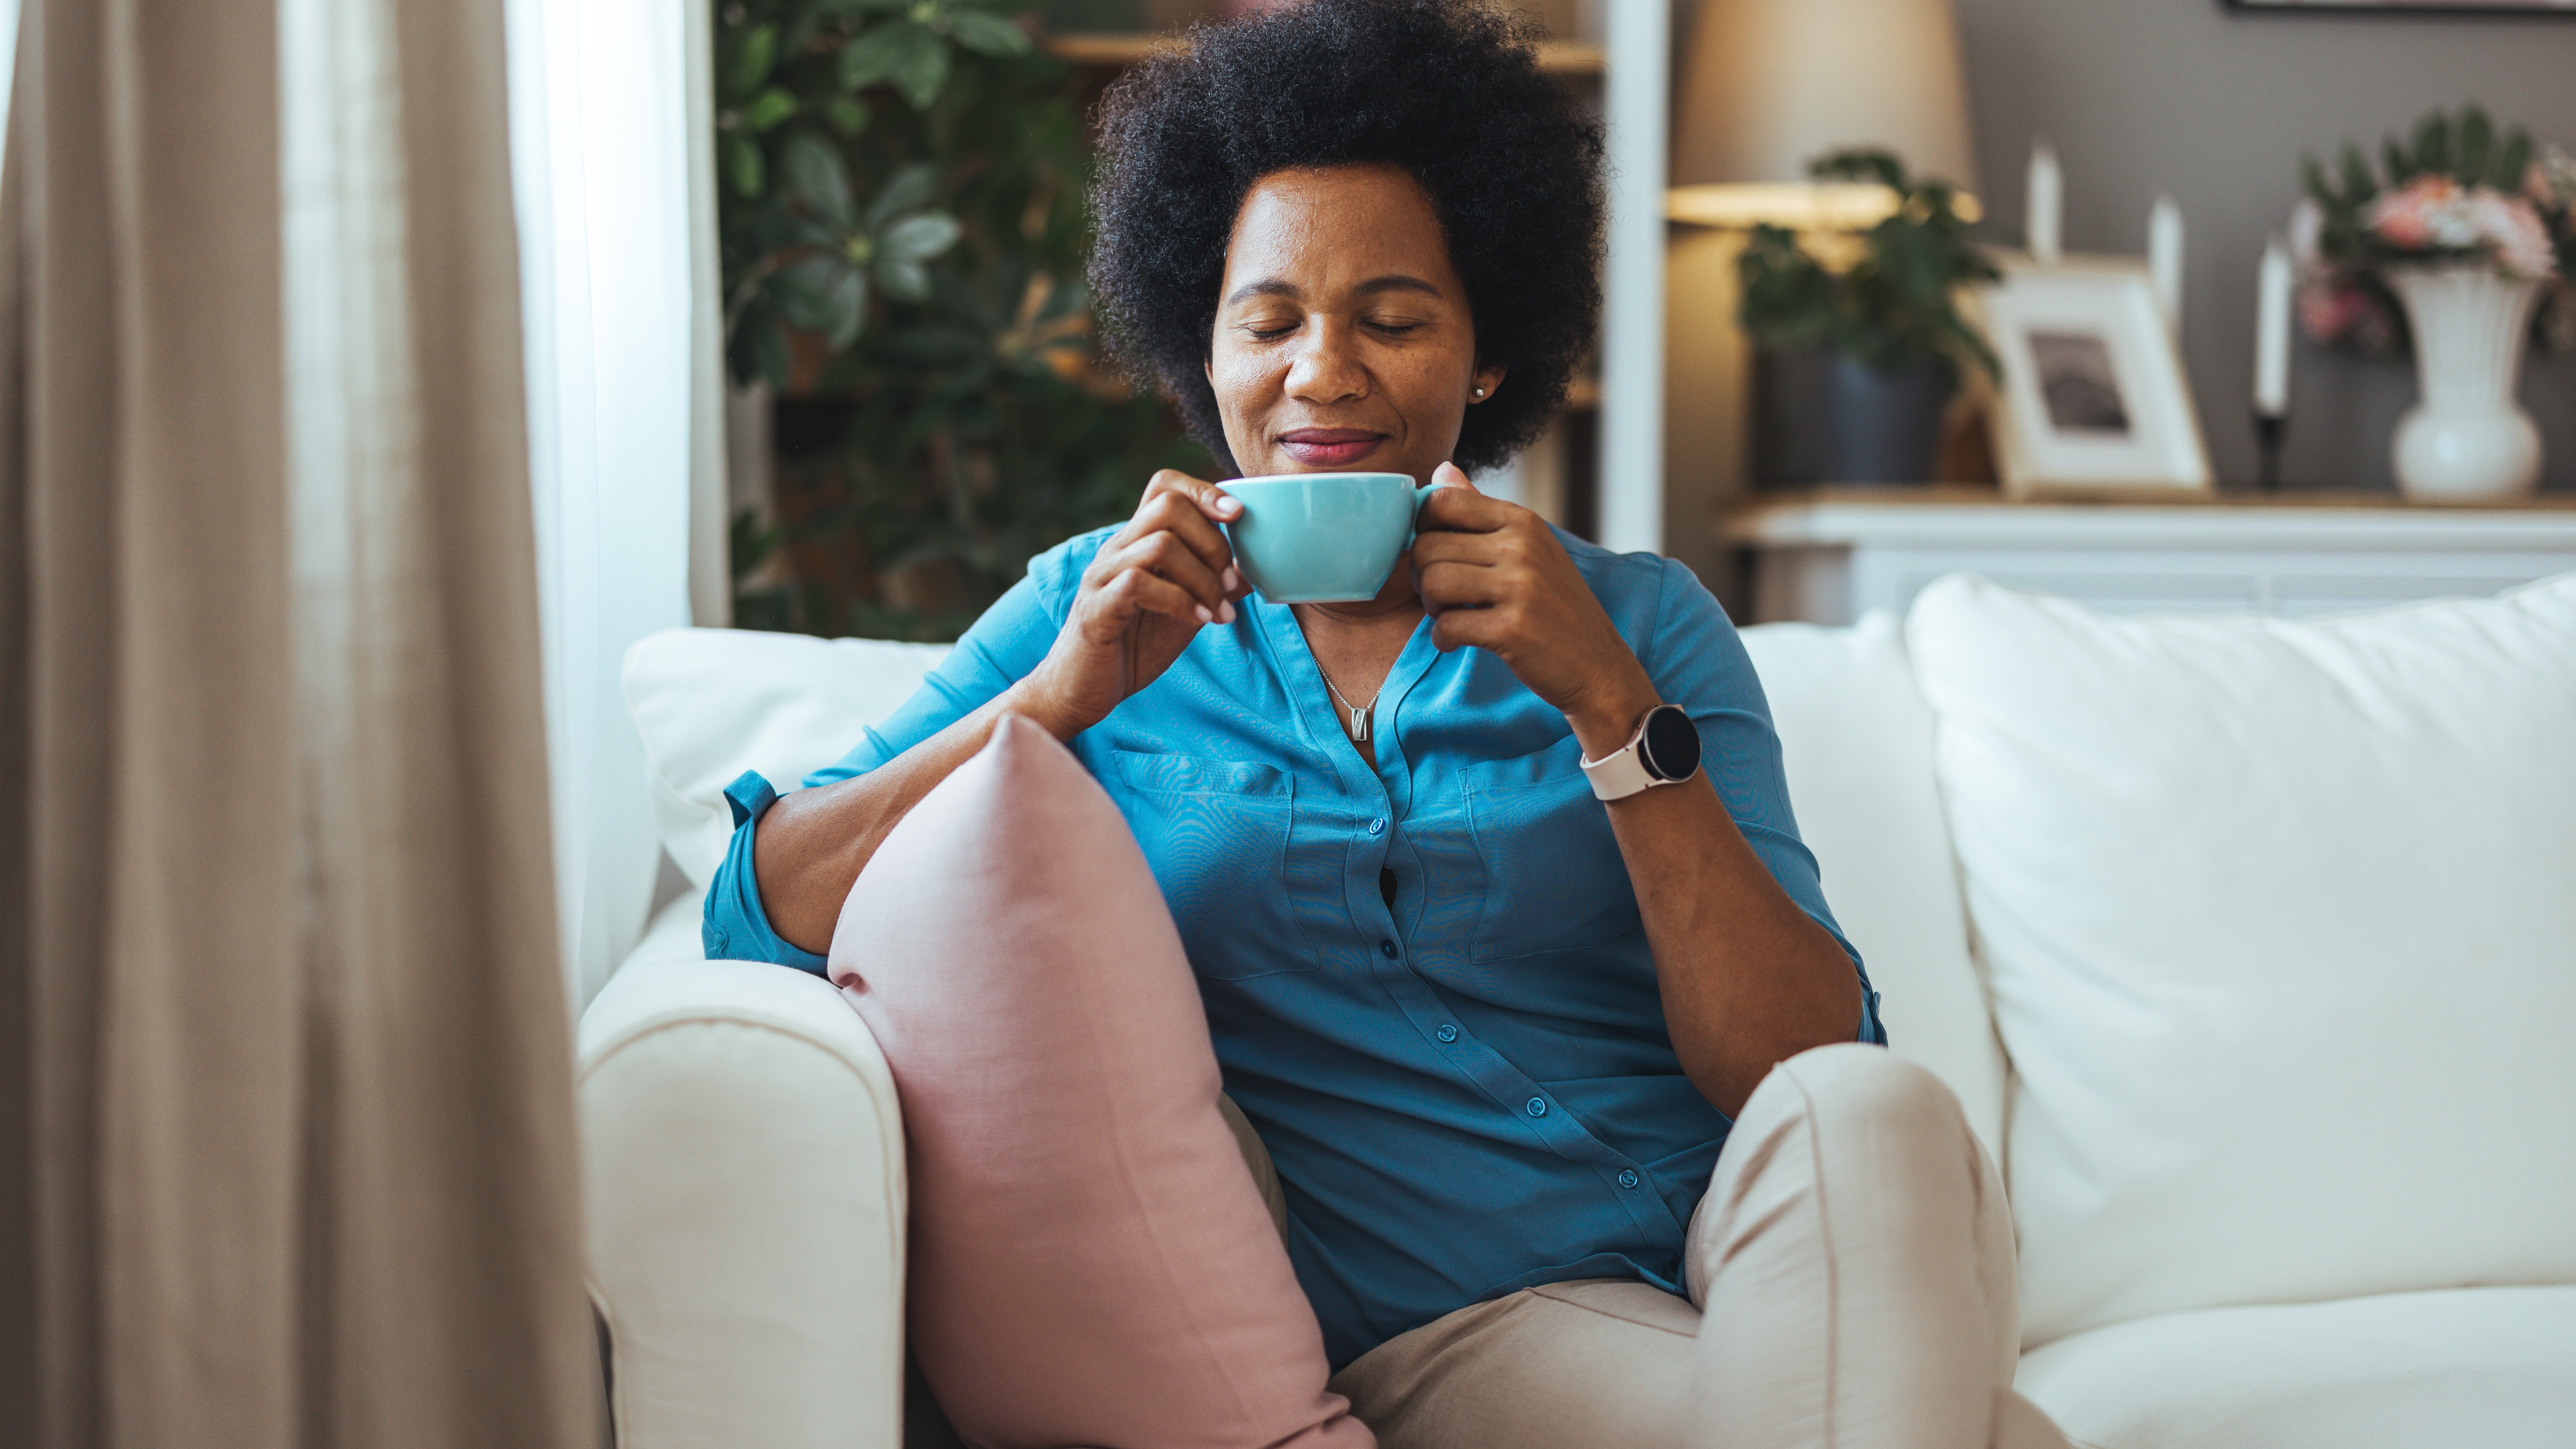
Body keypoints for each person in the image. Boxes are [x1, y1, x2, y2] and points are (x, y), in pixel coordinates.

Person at [704, 3, 2069, 1445]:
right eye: (1268, 321)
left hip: (1781, 1233)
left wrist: (1609, 707)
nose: (1321, 372)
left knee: (1874, 1115)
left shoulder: (1637, 622)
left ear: (1485, 356)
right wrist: (1054, 705)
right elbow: (761, 910)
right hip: (1478, 1322)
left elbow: (1804, 1057)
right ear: (1201, 355)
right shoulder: (1091, 615)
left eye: (1393, 318)